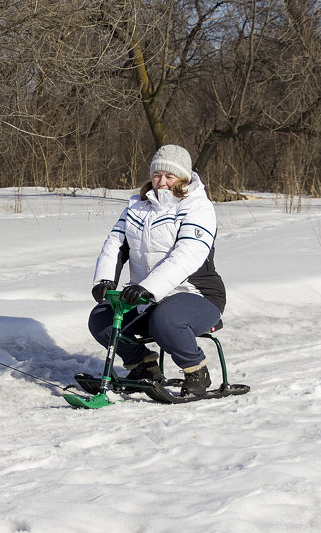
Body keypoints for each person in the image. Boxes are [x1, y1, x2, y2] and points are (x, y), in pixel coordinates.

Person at [88, 144, 227, 398]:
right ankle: (144, 366)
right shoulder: (137, 207)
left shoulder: (198, 207)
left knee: (165, 319)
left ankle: (196, 370)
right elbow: (116, 243)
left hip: (197, 295)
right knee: (102, 319)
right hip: (146, 296)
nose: (161, 182)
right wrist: (106, 279)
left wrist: (148, 288)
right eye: (156, 175)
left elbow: (187, 255)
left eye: (169, 176)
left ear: (183, 178)